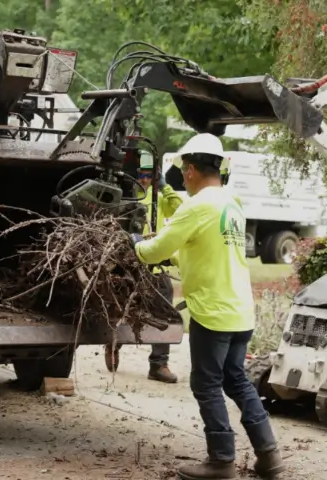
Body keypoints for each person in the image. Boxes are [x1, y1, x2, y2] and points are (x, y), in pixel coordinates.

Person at [129, 134, 285, 479]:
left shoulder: (197, 206)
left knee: (206, 384)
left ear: (189, 170)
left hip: (213, 313)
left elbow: (155, 250)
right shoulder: (231, 202)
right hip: (240, 309)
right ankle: (269, 456)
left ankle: (221, 461)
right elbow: (196, 246)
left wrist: (134, 245)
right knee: (237, 381)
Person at [104, 150, 182, 383]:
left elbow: (181, 211)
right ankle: (113, 344)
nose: (145, 180)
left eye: (150, 176)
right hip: (126, 264)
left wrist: (165, 188)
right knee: (119, 307)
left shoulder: (159, 196)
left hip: (154, 263)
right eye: (141, 175)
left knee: (164, 310)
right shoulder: (125, 197)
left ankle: (159, 365)